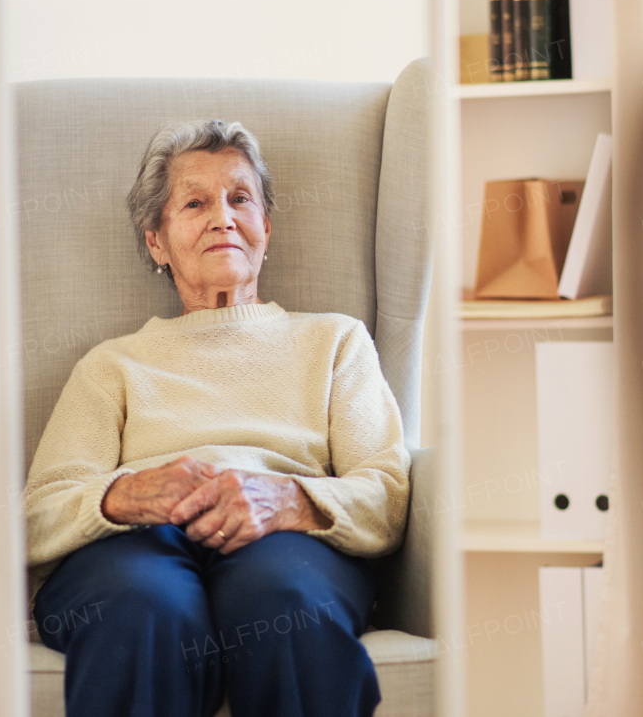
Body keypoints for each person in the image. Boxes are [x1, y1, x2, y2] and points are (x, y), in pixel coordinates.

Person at [24, 119, 411, 717]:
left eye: (240, 199)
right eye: (195, 203)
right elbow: (38, 513)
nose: (223, 217)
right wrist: (127, 496)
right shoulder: (112, 365)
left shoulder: (335, 342)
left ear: (265, 228)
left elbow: (385, 493)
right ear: (157, 241)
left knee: (283, 604)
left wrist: (287, 500)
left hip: (286, 538)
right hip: (135, 547)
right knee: (143, 610)